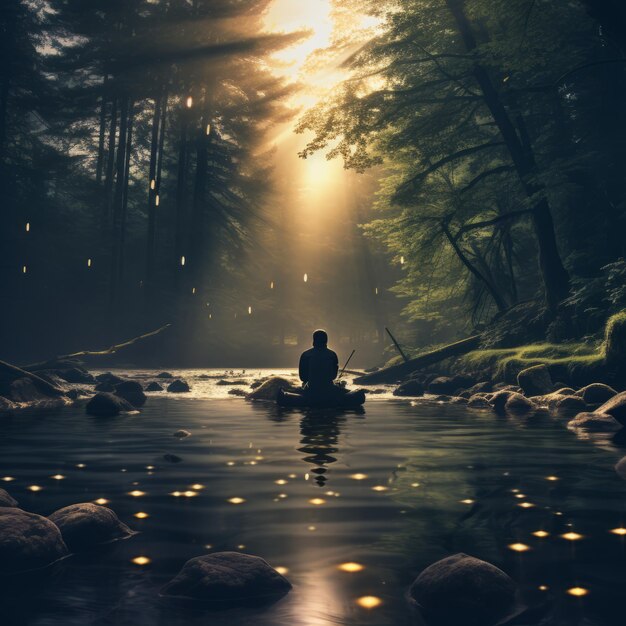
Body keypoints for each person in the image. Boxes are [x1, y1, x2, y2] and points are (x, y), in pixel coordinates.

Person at [299, 329, 340, 396]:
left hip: (311, 390)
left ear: (314, 340)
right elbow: (333, 377)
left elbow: (303, 377)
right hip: (329, 390)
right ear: (326, 340)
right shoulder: (332, 355)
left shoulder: (305, 355)